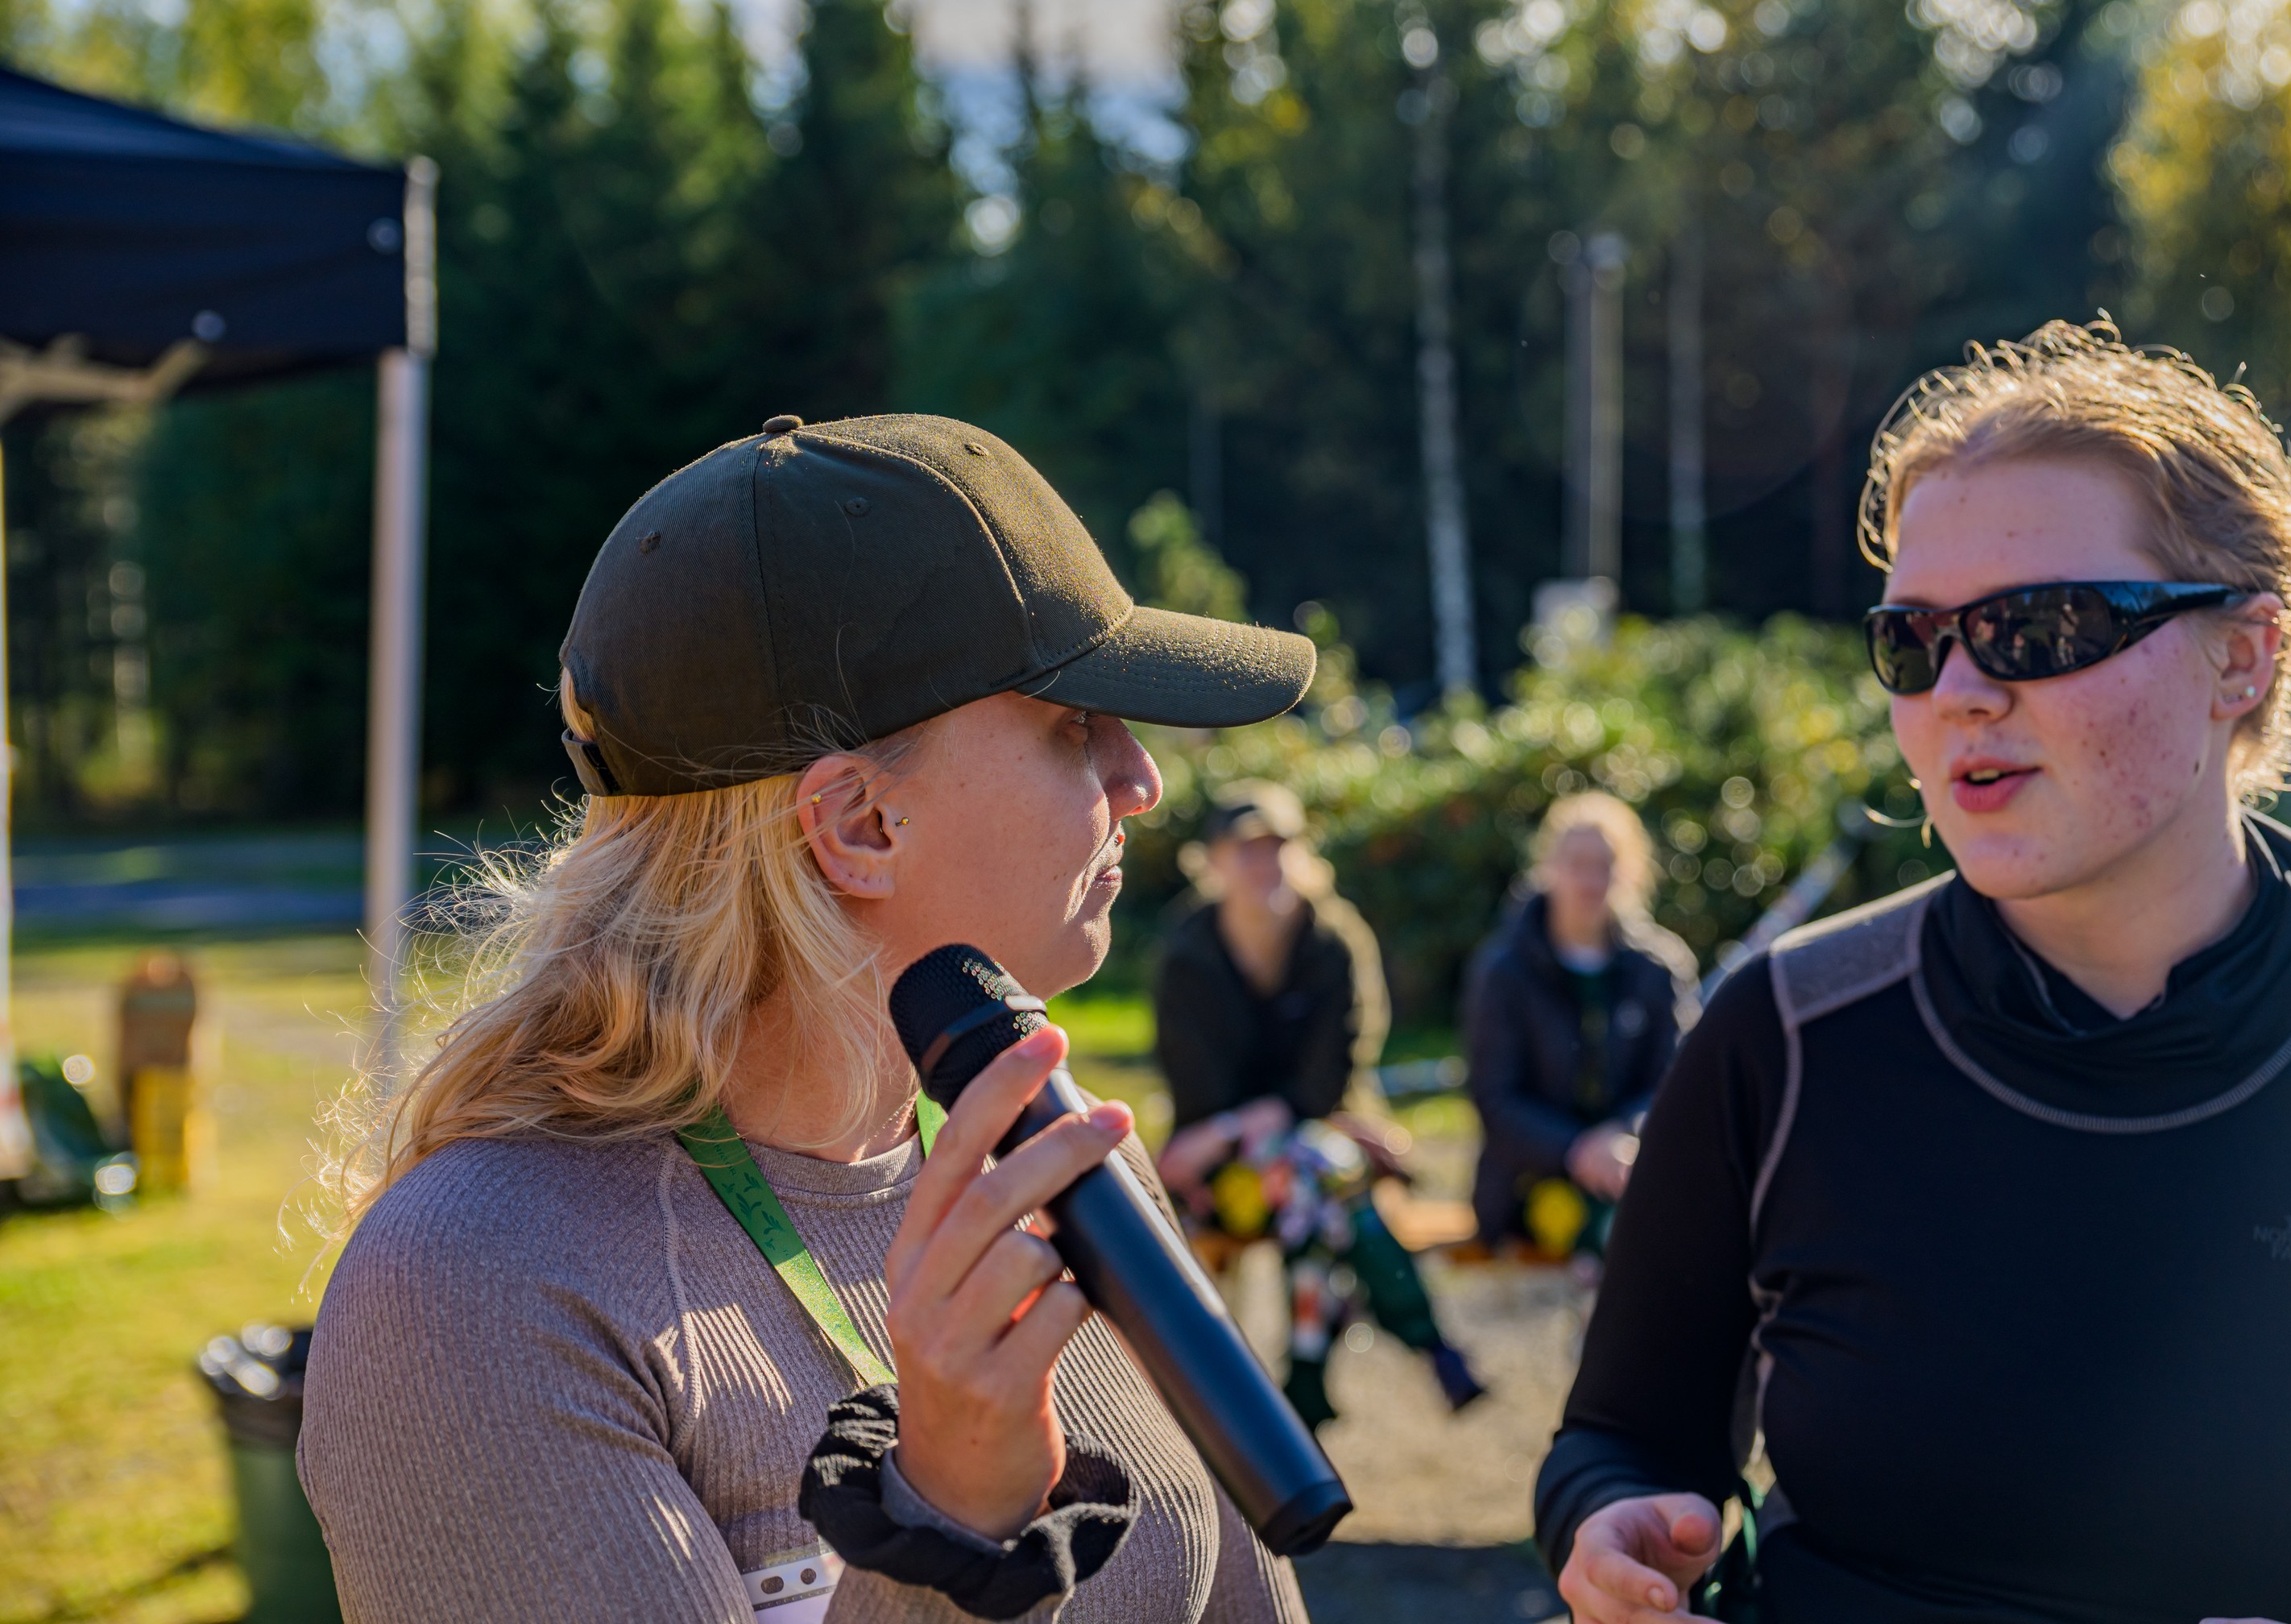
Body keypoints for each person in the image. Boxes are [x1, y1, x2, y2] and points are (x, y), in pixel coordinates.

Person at [299, 413, 1321, 1623]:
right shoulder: (474, 1285)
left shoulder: (1059, 1162)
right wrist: (951, 1530)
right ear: (858, 826)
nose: (1140, 780)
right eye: (1074, 724)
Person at [1538, 319, 2291, 1624]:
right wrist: (1609, 1525)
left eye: (2036, 626)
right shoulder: (1782, 1033)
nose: (1956, 690)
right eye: (1913, 640)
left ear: (2241, 657)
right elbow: (1623, 1433)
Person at [1152, 781, 1484, 1429]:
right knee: (1318, 1175)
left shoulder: (1334, 938)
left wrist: (1264, 1118)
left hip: (1314, 1141)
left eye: (1277, 846)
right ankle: (1418, 1344)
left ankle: (1305, 1388)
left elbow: (1336, 1066)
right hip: (1231, 1168)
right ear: (1213, 861)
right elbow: (1196, 1082)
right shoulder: (1188, 952)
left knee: (1310, 1173)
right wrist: (1260, 1123)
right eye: (1246, 849)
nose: (1264, 863)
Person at [1462, 793, 1697, 1259]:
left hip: (1633, 1168)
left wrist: (1624, 1137)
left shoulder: (1659, 968)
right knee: (1616, 1241)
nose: (1590, 880)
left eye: (1604, 865)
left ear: (1629, 872)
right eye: (1577, 864)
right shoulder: (1504, 970)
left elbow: (1676, 1082)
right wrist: (1577, 1149)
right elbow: (1494, 1098)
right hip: (1529, 1183)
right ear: (1548, 868)